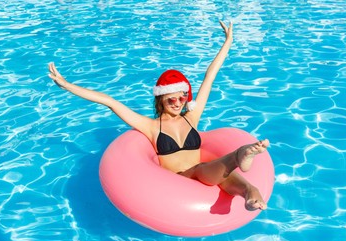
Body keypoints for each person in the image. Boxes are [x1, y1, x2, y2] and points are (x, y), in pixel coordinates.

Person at [48, 21, 270, 211]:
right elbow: (109, 101)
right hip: (181, 179)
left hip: (206, 173)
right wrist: (67, 85)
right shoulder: (152, 127)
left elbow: (209, 77)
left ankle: (249, 194)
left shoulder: (191, 117)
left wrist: (228, 42)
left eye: (181, 98)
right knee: (203, 168)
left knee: (221, 173)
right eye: (170, 99)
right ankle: (239, 155)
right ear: (161, 100)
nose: (176, 103)